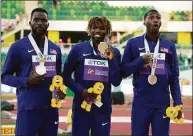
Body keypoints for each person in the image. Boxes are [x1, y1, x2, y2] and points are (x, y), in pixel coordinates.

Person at [1, 8, 66, 136]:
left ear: (48, 24)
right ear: (30, 23)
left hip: (51, 108)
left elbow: (58, 77)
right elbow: (4, 77)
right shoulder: (18, 47)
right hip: (29, 107)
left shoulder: (55, 49)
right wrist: (27, 81)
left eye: (44, 20)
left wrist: (60, 90)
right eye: (36, 20)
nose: (40, 23)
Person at [121, 9, 183, 136]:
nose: (155, 20)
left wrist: (178, 103)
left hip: (162, 104)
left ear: (160, 23)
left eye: (158, 18)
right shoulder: (133, 43)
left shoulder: (169, 46)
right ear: (144, 21)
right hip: (141, 102)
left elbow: (174, 77)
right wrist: (139, 61)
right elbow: (124, 71)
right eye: (151, 17)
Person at [62, 16, 122, 136]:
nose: (98, 31)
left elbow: (116, 81)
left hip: (103, 109)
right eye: (94, 28)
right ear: (89, 30)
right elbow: (65, 76)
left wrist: (111, 60)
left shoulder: (114, 52)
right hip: (81, 107)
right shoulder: (78, 49)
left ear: (107, 31)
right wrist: (81, 91)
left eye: (102, 28)